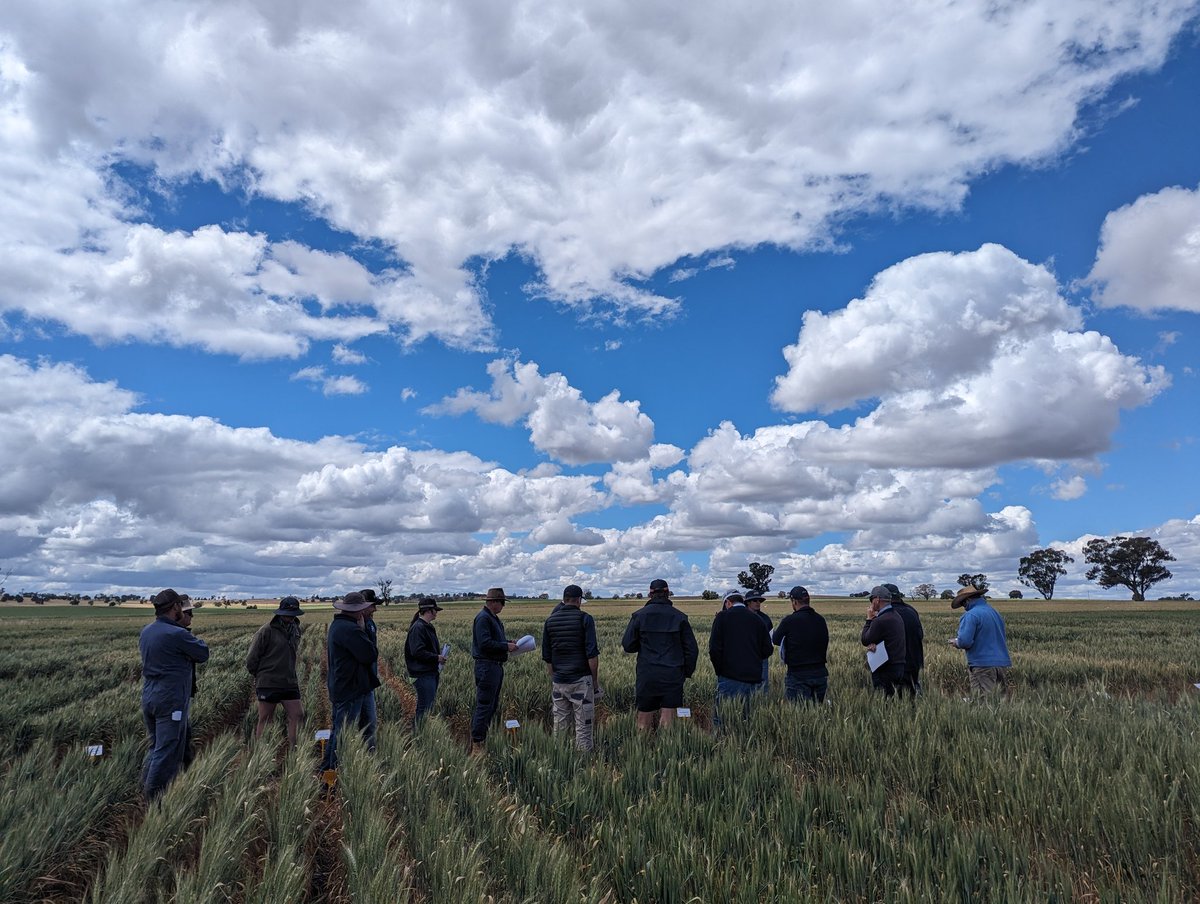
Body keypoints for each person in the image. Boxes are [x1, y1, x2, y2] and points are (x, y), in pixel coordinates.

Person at [139, 588, 210, 800]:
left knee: (156, 746)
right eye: (181, 606)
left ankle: (146, 788)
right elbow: (203, 653)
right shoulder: (176, 634)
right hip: (170, 700)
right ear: (175, 607)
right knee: (167, 749)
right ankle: (154, 799)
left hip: (150, 696)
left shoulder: (147, 631)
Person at [621, 579, 699, 732]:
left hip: (647, 674)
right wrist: (686, 672)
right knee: (668, 720)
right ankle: (665, 751)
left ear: (650, 593)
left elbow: (628, 645)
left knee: (643, 720)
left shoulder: (639, 616)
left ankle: (642, 751)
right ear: (668, 593)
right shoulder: (680, 617)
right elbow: (692, 650)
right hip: (673, 674)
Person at [322, 591, 380, 770]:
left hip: (345, 686)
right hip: (350, 689)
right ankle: (331, 774)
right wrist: (364, 631)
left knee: (338, 732)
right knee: (342, 734)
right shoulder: (350, 629)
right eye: (361, 609)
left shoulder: (337, 626)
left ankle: (327, 770)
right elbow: (370, 654)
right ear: (355, 610)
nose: (364, 612)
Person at [541, 584, 602, 751]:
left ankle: (560, 761)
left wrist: (555, 678)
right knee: (583, 726)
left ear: (564, 599)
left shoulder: (550, 621)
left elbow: (547, 656)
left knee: (560, 726)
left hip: (559, 681)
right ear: (579, 600)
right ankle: (583, 764)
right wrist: (594, 682)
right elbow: (592, 655)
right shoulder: (585, 619)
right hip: (581, 680)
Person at [246, 595, 306, 748]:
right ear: (280, 612)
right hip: (269, 682)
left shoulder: (295, 629)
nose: (291, 617)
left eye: (293, 614)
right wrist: (262, 676)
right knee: (266, 719)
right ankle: (262, 755)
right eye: (288, 614)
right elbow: (251, 659)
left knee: (298, 715)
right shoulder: (266, 631)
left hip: (289, 681)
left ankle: (296, 752)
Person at [709, 589, 772, 726]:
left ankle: (723, 746)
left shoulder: (722, 617)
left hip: (728, 677)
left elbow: (714, 649)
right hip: (753, 678)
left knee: (723, 719)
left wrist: (720, 670)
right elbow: (768, 649)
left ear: (728, 603)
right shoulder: (758, 619)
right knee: (748, 719)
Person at [471, 588, 518, 753]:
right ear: (493, 602)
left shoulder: (492, 618)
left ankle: (484, 737)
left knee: (492, 704)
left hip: (494, 666)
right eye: (502, 602)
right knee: (484, 705)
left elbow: (493, 641)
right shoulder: (483, 618)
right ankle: (477, 744)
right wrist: (506, 646)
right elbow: (485, 643)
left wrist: (508, 642)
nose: (503, 606)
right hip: (487, 667)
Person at [948, 586, 1012, 695]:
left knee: (983, 703)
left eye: (963, 604)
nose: (964, 607)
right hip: (1002, 663)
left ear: (967, 600)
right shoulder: (995, 613)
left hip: (982, 664)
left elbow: (965, 641)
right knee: (1000, 701)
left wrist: (956, 642)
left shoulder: (971, 615)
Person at [771, 586, 829, 703]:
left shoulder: (790, 620)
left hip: (798, 674)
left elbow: (776, 639)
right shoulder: (820, 620)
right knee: (817, 712)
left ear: (794, 601)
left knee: (798, 714)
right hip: (820, 673)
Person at [404, 597, 447, 727]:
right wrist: (436, 658)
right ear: (429, 611)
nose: (437, 613)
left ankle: (422, 733)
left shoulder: (426, 626)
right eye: (435, 610)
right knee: (424, 708)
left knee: (427, 707)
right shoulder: (418, 628)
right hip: (422, 674)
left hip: (429, 672)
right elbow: (417, 652)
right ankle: (419, 735)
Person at [860, 584, 907, 696]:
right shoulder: (896, 616)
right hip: (899, 666)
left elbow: (865, 639)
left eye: (871, 599)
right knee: (895, 703)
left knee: (884, 703)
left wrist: (869, 619)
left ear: (877, 600)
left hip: (885, 669)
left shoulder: (880, 620)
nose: (871, 603)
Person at [885, 583, 925, 697]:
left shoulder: (887, 613)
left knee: (892, 698)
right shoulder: (911, 610)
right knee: (911, 696)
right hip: (913, 662)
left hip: (894, 663)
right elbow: (920, 635)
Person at [177, 595, 198, 769]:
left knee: (182, 735)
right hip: (174, 697)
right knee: (172, 741)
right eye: (189, 613)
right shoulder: (178, 635)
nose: (192, 617)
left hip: (178, 695)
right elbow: (202, 653)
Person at [357, 588, 380, 747]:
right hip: (354, 684)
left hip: (368, 682)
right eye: (372, 606)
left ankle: (369, 758)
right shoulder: (350, 626)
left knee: (370, 723)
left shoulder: (370, 624)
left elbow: (372, 651)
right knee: (350, 724)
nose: (375, 609)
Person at [743, 589, 773, 693]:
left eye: (759, 601)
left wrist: (764, 653)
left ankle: (762, 705)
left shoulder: (766, 619)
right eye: (755, 600)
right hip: (744, 657)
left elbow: (771, 639)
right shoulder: (739, 617)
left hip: (761, 658)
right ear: (748, 602)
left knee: (763, 684)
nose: (758, 603)